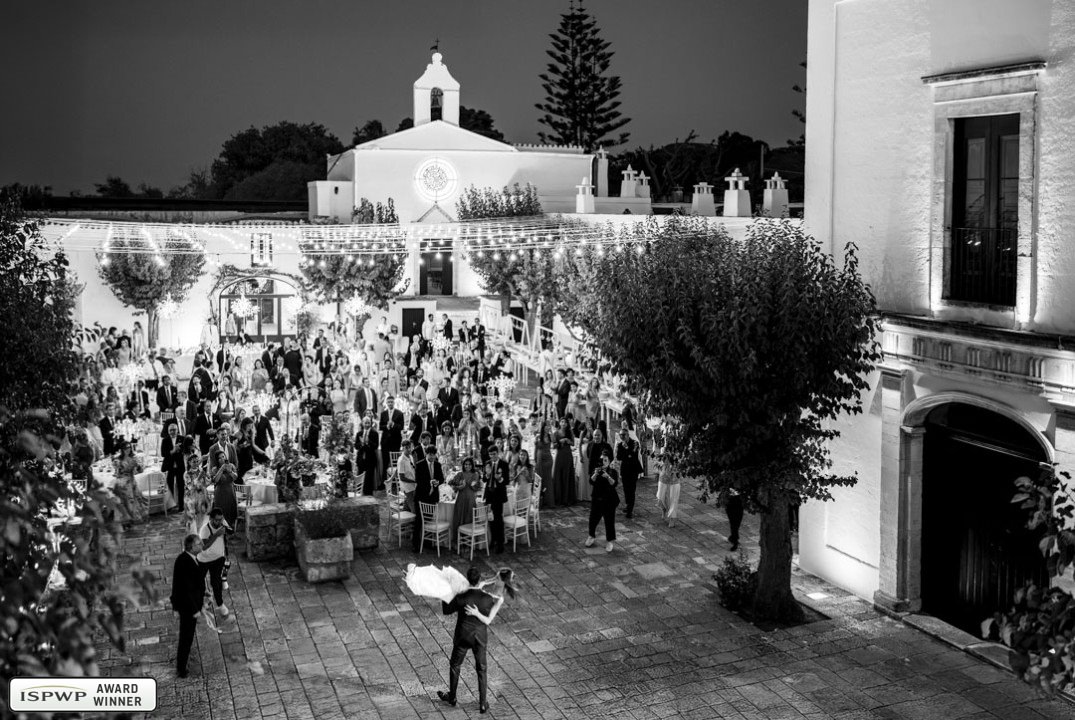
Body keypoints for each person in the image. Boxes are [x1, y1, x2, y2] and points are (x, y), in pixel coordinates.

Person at [436, 566, 502, 713]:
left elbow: (446, 611)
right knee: (482, 669)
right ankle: (483, 703)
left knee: (455, 665)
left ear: (467, 579)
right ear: (479, 580)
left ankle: (452, 697)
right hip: (479, 637)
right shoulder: (487, 598)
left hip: (463, 636)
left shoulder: (461, 597)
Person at [170, 533, 204, 679]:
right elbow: (185, 589)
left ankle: (182, 665)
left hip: (188, 605)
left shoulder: (187, 558)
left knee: (187, 637)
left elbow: (193, 583)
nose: (202, 545)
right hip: (188, 608)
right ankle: (181, 669)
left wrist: (205, 592)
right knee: (186, 637)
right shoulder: (185, 561)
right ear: (191, 546)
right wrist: (195, 610)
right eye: (199, 544)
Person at [198, 508, 231, 618]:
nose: (219, 522)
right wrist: (217, 534)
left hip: (218, 559)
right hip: (204, 560)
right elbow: (204, 546)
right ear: (211, 519)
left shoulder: (222, 523)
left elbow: (231, 533)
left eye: (221, 519)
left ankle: (221, 605)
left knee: (216, 582)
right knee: (199, 581)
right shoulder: (204, 529)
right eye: (217, 520)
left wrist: (227, 528)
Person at [586, 448, 620, 552]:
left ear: (609, 461)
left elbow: (614, 483)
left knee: (609, 521)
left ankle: (610, 541)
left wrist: (608, 477)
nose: (603, 462)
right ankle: (591, 536)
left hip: (609, 500)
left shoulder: (613, 472)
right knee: (593, 519)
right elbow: (591, 481)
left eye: (605, 460)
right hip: (597, 498)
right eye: (602, 460)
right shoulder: (596, 470)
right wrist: (595, 474)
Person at [413, 446, 445, 552]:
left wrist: (437, 482)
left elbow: (441, 478)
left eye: (433, 454)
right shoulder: (420, 464)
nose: (432, 456)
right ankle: (415, 544)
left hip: (433, 496)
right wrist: (429, 483)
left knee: (429, 520)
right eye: (430, 454)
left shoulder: (437, 464)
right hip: (421, 496)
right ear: (426, 454)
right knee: (419, 520)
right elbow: (418, 480)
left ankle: (427, 542)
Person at [112, 441, 147, 527]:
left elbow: (140, 470)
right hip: (122, 482)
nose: (128, 450)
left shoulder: (134, 458)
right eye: (125, 448)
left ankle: (133, 518)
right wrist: (124, 467)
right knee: (124, 501)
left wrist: (138, 466)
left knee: (133, 500)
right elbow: (117, 473)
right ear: (122, 449)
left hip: (131, 481)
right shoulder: (118, 460)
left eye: (129, 448)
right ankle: (125, 520)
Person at [450, 456, 483, 541]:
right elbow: (453, 487)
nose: (467, 466)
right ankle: (459, 539)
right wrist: (460, 487)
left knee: (469, 517)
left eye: (469, 464)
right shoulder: (459, 474)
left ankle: (469, 539)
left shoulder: (475, 474)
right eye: (465, 464)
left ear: (472, 465)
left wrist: (474, 486)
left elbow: (477, 488)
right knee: (459, 518)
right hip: (461, 498)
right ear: (463, 465)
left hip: (471, 499)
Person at [485, 445, 510, 554]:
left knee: (498, 519)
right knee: (490, 518)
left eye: (494, 454)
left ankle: (500, 543)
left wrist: (500, 479)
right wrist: (487, 474)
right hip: (489, 493)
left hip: (498, 494)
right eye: (490, 455)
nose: (492, 456)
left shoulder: (504, 464)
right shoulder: (487, 463)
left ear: (498, 453)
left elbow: (507, 481)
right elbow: (484, 479)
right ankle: (493, 539)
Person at [615, 427, 642, 519]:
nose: (622, 437)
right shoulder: (619, 445)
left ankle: (630, 510)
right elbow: (619, 457)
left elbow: (633, 456)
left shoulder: (634, 443)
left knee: (632, 489)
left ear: (628, 435)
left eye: (623, 435)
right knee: (626, 489)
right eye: (620, 435)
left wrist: (626, 450)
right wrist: (627, 454)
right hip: (625, 470)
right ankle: (628, 505)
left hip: (633, 469)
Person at [379, 395, 405, 486]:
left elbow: (401, 427)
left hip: (395, 441)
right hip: (385, 442)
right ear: (386, 403)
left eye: (391, 402)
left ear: (394, 403)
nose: (390, 403)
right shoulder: (383, 414)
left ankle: (395, 484)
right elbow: (380, 426)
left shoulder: (399, 413)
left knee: (395, 463)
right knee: (385, 463)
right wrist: (386, 426)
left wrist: (393, 424)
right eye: (388, 402)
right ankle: (383, 484)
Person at [550, 418, 575, 507]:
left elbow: (573, 443)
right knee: (559, 475)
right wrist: (560, 442)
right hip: (560, 455)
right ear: (560, 423)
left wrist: (568, 441)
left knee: (567, 475)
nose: (563, 423)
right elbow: (554, 446)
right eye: (562, 422)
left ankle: (567, 499)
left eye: (565, 422)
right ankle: (559, 499)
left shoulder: (570, 432)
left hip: (568, 455)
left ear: (567, 424)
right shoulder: (556, 433)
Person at [354, 416, 380, 496]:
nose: (367, 424)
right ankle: (360, 494)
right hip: (361, 458)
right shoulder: (359, 433)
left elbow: (375, 446)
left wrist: (368, 442)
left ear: (371, 423)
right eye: (365, 423)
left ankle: (369, 495)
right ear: (362, 423)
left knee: (369, 478)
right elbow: (356, 446)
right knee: (361, 476)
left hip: (370, 459)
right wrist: (361, 444)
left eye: (368, 422)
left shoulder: (374, 433)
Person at [656, 451, 681, 528]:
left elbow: (679, 472)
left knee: (673, 500)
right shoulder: (663, 458)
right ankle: (664, 509)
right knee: (660, 497)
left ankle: (672, 519)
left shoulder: (676, 460)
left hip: (674, 482)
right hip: (663, 479)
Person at [533, 420, 554, 508]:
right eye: (547, 425)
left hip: (548, 459)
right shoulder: (538, 436)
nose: (548, 427)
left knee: (547, 480)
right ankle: (539, 502)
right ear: (543, 427)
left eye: (549, 425)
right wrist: (535, 459)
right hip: (539, 459)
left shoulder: (550, 436)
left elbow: (554, 441)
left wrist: (551, 431)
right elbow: (535, 449)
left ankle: (548, 501)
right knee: (539, 480)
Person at [397, 440, 417, 511]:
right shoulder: (401, 460)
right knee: (414, 508)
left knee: (407, 504)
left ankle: (404, 514)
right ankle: (415, 519)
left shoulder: (410, 457)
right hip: (407, 486)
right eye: (406, 448)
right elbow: (402, 478)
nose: (409, 449)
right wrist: (413, 481)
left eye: (410, 447)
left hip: (412, 484)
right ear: (403, 448)